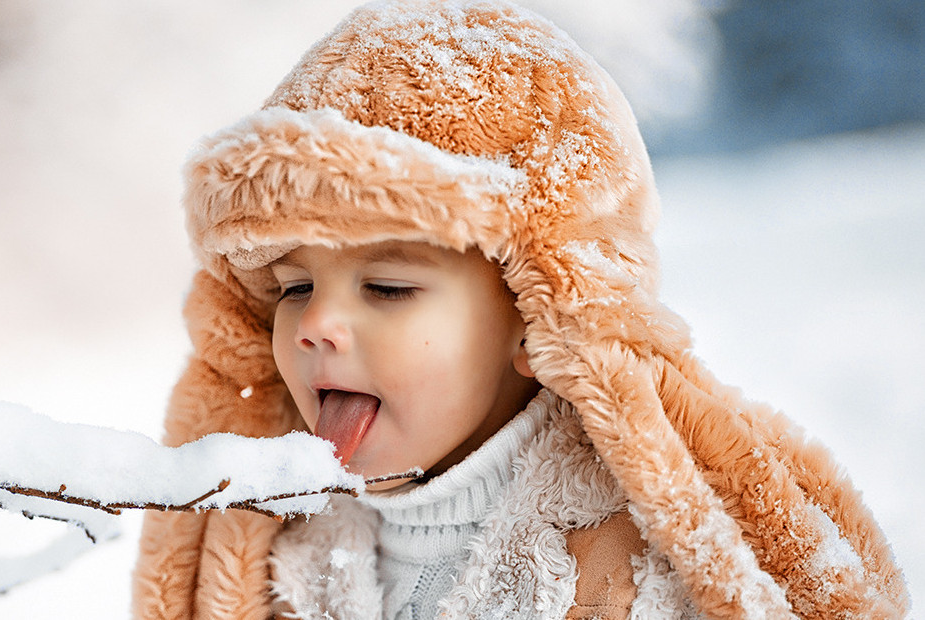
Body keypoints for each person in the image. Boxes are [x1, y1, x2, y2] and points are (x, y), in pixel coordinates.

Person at [132, 1, 909, 618]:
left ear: (539, 320)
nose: (314, 325)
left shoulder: (629, 566)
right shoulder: (279, 555)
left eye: (388, 288)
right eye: (294, 286)